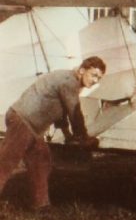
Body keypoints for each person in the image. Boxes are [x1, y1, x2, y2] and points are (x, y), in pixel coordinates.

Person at [0, 56, 106, 210]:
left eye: (99, 78)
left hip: (31, 126)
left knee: (41, 160)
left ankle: (41, 204)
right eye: (94, 75)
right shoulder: (69, 82)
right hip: (23, 121)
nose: (96, 80)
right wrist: (83, 137)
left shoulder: (67, 79)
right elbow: (74, 112)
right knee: (7, 163)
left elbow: (59, 110)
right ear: (82, 70)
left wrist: (68, 135)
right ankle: (40, 204)